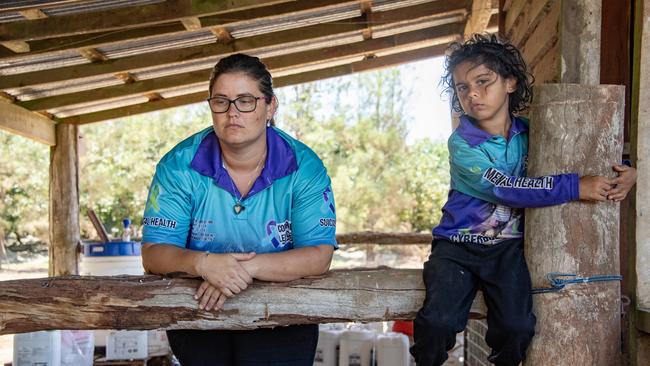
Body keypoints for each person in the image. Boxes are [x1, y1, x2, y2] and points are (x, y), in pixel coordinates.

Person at [410, 34, 637, 366]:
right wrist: (575, 187)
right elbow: (507, 188)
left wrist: (627, 172)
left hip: (508, 251)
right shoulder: (463, 144)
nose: (472, 93)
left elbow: (587, 158)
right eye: (461, 88)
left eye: (483, 81)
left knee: (517, 327)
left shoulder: (534, 134)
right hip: (456, 248)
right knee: (438, 322)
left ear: (511, 83)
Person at [140, 53, 338, 366]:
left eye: (246, 100)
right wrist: (204, 263)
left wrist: (242, 269)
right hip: (201, 310)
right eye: (222, 101)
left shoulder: (304, 167)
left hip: (283, 315)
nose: (233, 112)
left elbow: (319, 254)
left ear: (270, 106)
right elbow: (153, 253)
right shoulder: (178, 166)